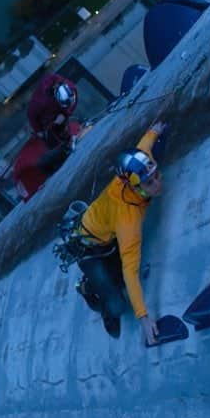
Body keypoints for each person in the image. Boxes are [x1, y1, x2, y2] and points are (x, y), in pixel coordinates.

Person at [74, 123, 167, 346]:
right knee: (117, 305)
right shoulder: (128, 219)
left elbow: (144, 145)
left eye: (156, 175)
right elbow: (131, 270)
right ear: (133, 186)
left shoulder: (138, 166)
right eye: (149, 183)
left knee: (117, 277)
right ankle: (88, 291)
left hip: (105, 232)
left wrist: (154, 130)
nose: (156, 184)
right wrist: (143, 317)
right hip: (90, 249)